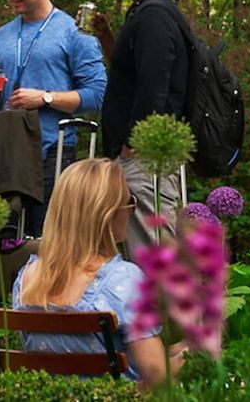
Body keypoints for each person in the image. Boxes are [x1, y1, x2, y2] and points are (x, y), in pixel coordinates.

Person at [12, 158, 184, 384]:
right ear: (108, 213)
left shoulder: (28, 278)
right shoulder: (123, 280)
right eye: (129, 202)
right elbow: (159, 377)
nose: (131, 211)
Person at [0, 0, 107, 236]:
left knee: (46, 246)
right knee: (0, 245)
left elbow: (98, 95)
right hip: (5, 155)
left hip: (52, 154)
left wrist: (45, 98)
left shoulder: (74, 33)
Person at [99, 0, 190, 253]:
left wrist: (132, 148)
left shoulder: (154, 15)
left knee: (151, 255)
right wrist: (107, 38)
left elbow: (154, 87)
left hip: (143, 158)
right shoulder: (145, 11)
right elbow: (133, 74)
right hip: (138, 155)